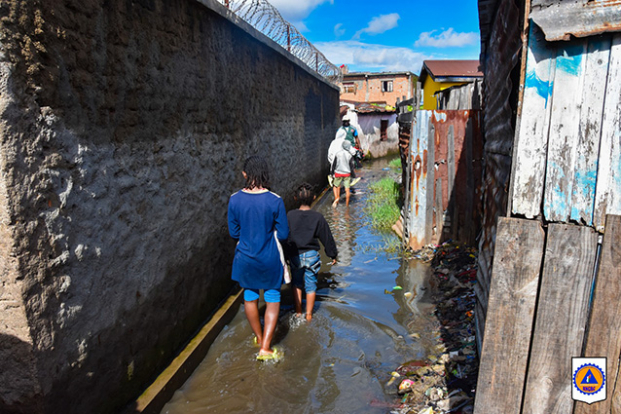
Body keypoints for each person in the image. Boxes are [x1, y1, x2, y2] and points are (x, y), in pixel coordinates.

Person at [227, 155, 289, 361]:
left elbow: (234, 233)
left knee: (250, 297)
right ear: (265, 175)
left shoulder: (234, 199)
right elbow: (284, 234)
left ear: (245, 174)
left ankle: (259, 337)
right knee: (272, 299)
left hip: (245, 258)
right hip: (269, 258)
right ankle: (265, 347)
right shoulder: (275, 200)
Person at [286, 183, 337, 322]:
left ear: (295, 198)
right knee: (311, 285)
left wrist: (285, 256)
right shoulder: (317, 217)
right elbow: (327, 237)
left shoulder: (290, 216)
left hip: (295, 254)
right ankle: (309, 315)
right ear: (314, 197)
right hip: (311, 255)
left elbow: (285, 236)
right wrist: (332, 254)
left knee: (296, 283)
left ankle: (298, 312)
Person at [331, 140, 358, 207]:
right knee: (347, 189)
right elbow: (352, 166)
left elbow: (334, 164)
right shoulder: (349, 155)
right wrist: (353, 176)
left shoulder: (337, 154)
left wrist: (332, 173)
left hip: (338, 173)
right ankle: (347, 205)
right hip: (347, 174)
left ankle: (337, 198)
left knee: (336, 186)